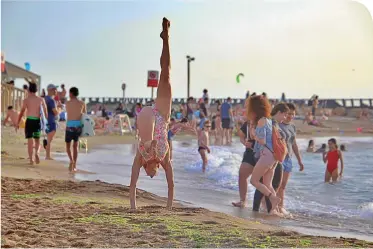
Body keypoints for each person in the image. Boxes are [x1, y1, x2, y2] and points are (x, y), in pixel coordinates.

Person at [129, 18, 174, 210]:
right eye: (153, 175)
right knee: (166, 75)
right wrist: (169, 207)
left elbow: (132, 184)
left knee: (166, 73)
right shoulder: (164, 158)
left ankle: (165, 37)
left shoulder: (140, 158)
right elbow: (171, 185)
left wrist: (133, 206)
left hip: (149, 119)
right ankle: (166, 39)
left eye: (149, 175)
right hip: (162, 115)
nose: (151, 176)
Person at [248, 97, 288, 215]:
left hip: (267, 155)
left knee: (254, 181)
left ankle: (273, 198)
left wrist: (254, 134)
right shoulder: (271, 122)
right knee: (267, 184)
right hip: (274, 157)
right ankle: (274, 210)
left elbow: (262, 141)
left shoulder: (263, 120)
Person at [277, 103, 304, 216]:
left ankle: (280, 207)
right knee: (276, 184)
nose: (290, 116)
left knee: (283, 186)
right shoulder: (278, 125)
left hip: (289, 159)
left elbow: (294, 144)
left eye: (292, 114)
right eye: (288, 114)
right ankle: (275, 206)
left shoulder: (292, 127)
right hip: (279, 159)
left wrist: (299, 160)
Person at [17, 82, 48, 165]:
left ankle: (31, 160)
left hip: (29, 120)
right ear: (36, 90)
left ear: (29, 90)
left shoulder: (26, 100)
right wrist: (45, 122)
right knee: (37, 140)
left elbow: (22, 112)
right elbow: (45, 112)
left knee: (30, 141)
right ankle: (37, 153)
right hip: (37, 121)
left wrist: (18, 122)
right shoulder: (41, 99)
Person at [232, 118, 256, 208]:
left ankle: (265, 205)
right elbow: (241, 135)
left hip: (262, 153)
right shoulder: (248, 123)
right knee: (242, 174)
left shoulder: (263, 121)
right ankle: (242, 201)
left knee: (263, 180)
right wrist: (244, 142)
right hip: (249, 153)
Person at [65, 87, 86, 172]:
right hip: (78, 126)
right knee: (75, 146)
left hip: (69, 126)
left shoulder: (67, 103)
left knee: (68, 147)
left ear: (71, 93)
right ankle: (75, 166)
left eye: (69, 93)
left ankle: (71, 160)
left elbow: (67, 111)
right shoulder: (82, 103)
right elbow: (84, 115)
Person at [44, 84, 60, 160]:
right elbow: (55, 112)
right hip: (51, 120)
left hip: (46, 121)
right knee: (49, 138)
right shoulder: (51, 100)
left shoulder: (45, 99)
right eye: (54, 89)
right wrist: (60, 110)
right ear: (50, 90)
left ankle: (47, 155)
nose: (56, 91)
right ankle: (47, 156)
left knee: (48, 138)